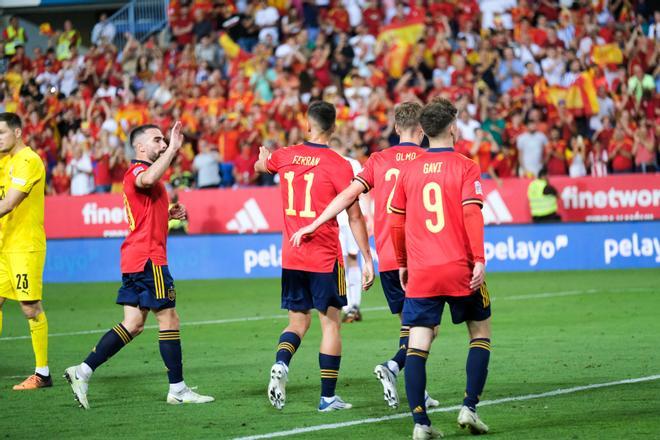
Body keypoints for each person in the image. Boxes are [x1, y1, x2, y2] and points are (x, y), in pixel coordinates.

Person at [290, 102, 440, 410]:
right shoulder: (430, 160)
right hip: (420, 256)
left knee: (410, 326)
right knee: (427, 329)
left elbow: (350, 196)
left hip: (387, 257)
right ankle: (394, 367)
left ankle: (418, 390)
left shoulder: (379, 160)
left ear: (396, 128)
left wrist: (317, 223)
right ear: (422, 130)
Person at [64, 122, 214, 409]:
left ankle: (81, 371)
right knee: (169, 319)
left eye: (163, 140)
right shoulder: (138, 172)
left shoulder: (149, 178)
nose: (162, 143)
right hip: (149, 260)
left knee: (132, 324)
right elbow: (145, 180)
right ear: (141, 147)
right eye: (156, 140)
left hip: (134, 257)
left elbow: (146, 211)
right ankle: (178, 389)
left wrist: (170, 213)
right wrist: (172, 148)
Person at [254, 101, 375, 412]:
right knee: (331, 325)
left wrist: (262, 159)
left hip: (292, 255)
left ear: (306, 126)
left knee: (296, 322)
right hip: (324, 256)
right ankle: (327, 397)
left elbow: (261, 167)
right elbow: (355, 216)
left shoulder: (285, 155)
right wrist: (366, 257)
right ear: (333, 128)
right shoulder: (340, 165)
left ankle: (282, 362)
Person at [388, 99, 491, 439]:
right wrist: (479, 258)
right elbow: (471, 214)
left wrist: (402, 263)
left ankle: (420, 424)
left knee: (417, 343)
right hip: (459, 266)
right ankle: (469, 408)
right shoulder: (465, 166)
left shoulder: (409, 170)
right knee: (479, 333)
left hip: (422, 271)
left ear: (424, 131)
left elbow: (396, 223)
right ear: (451, 127)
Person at [0, 113, 50, 390]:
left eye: (1, 133)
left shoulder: (28, 161)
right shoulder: (3, 161)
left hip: (24, 247)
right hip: (3, 245)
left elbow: (8, 204)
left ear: (18, 133)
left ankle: (42, 374)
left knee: (30, 308)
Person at [328, 138, 365, 323]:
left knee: (342, 262)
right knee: (351, 260)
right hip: (350, 218)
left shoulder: (327, 161)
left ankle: (349, 305)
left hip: (339, 218)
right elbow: (363, 191)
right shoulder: (353, 163)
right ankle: (353, 305)